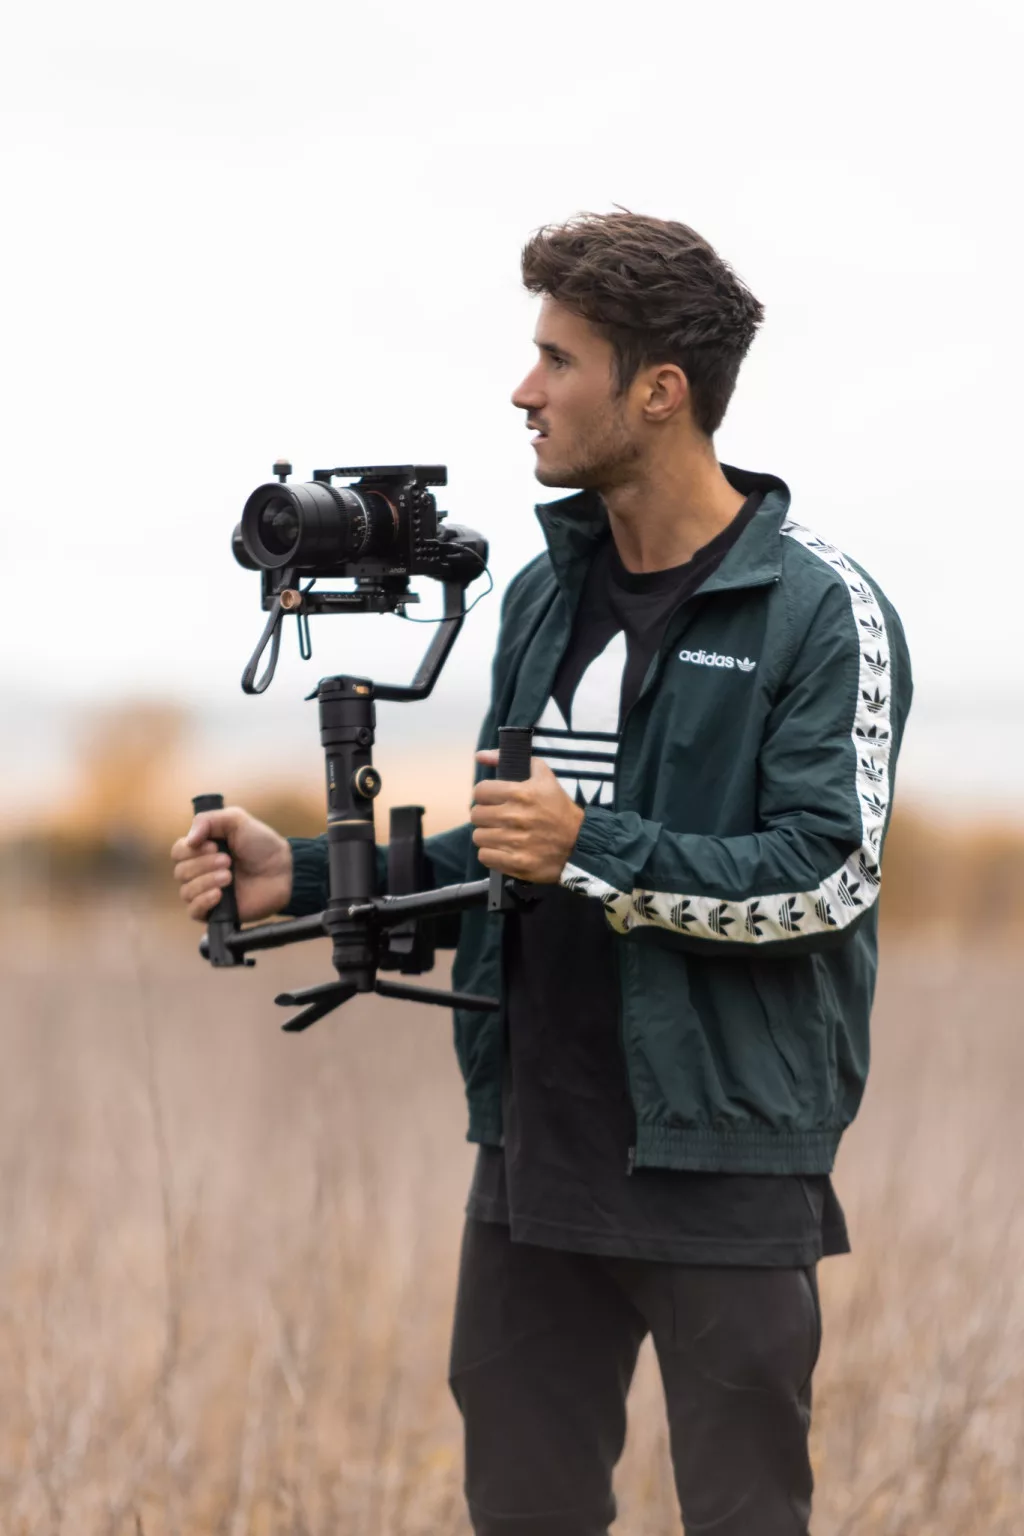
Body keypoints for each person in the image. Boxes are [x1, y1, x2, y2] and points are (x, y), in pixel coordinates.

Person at [171, 211, 913, 1536]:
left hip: (722, 1162)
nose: (525, 390)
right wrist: (312, 878)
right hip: (533, 1161)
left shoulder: (818, 609)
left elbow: (826, 879)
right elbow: (517, 851)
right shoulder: (540, 595)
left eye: (559, 361)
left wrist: (594, 849)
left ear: (659, 390)